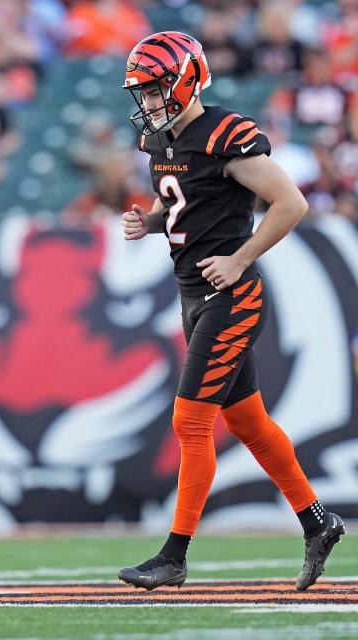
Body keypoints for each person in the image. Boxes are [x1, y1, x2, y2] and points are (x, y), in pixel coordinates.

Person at [117, 31, 345, 592]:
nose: (146, 103)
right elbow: (183, 205)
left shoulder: (225, 133)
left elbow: (291, 203)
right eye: (141, 93)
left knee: (190, 420)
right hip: (194, 296)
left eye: (154, 90)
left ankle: (174, 557)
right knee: (247, 422)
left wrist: (241, 258)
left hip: (231, 297)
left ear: (186, 81)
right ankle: (319, 523)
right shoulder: (160, 142)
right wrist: (147, 223)